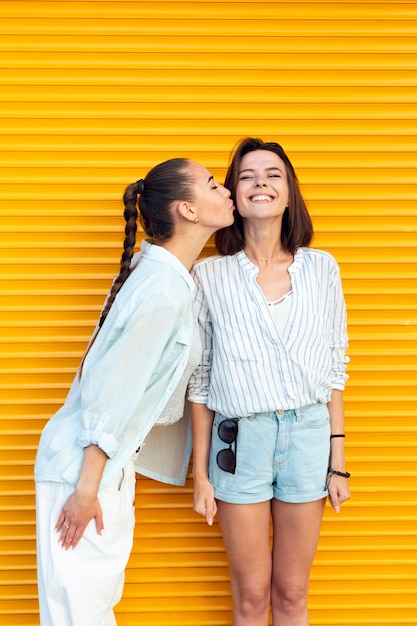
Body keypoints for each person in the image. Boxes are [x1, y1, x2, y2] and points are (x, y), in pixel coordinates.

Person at [34, 157, 235, 626]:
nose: (224, 189)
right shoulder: (162, 289)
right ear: (188, 209)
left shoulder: (167, 280)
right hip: (85, 474)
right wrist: (87, 489)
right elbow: (111, 392)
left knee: (84, 611)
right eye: (211, 184)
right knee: (79, 615)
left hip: (99, 469)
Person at [189, 137, 350, 626]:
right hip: (240, 443)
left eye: (273, 174)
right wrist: (200, 473)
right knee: (252, 597)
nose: (261, 182)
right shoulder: (208, 275)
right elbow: (200, 379)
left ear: (288, 192)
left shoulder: (322, 268)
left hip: (307, 436)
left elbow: (335, 367)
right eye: (247, 175)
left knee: (292, 594)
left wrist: (337, 460)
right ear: (234, 197)